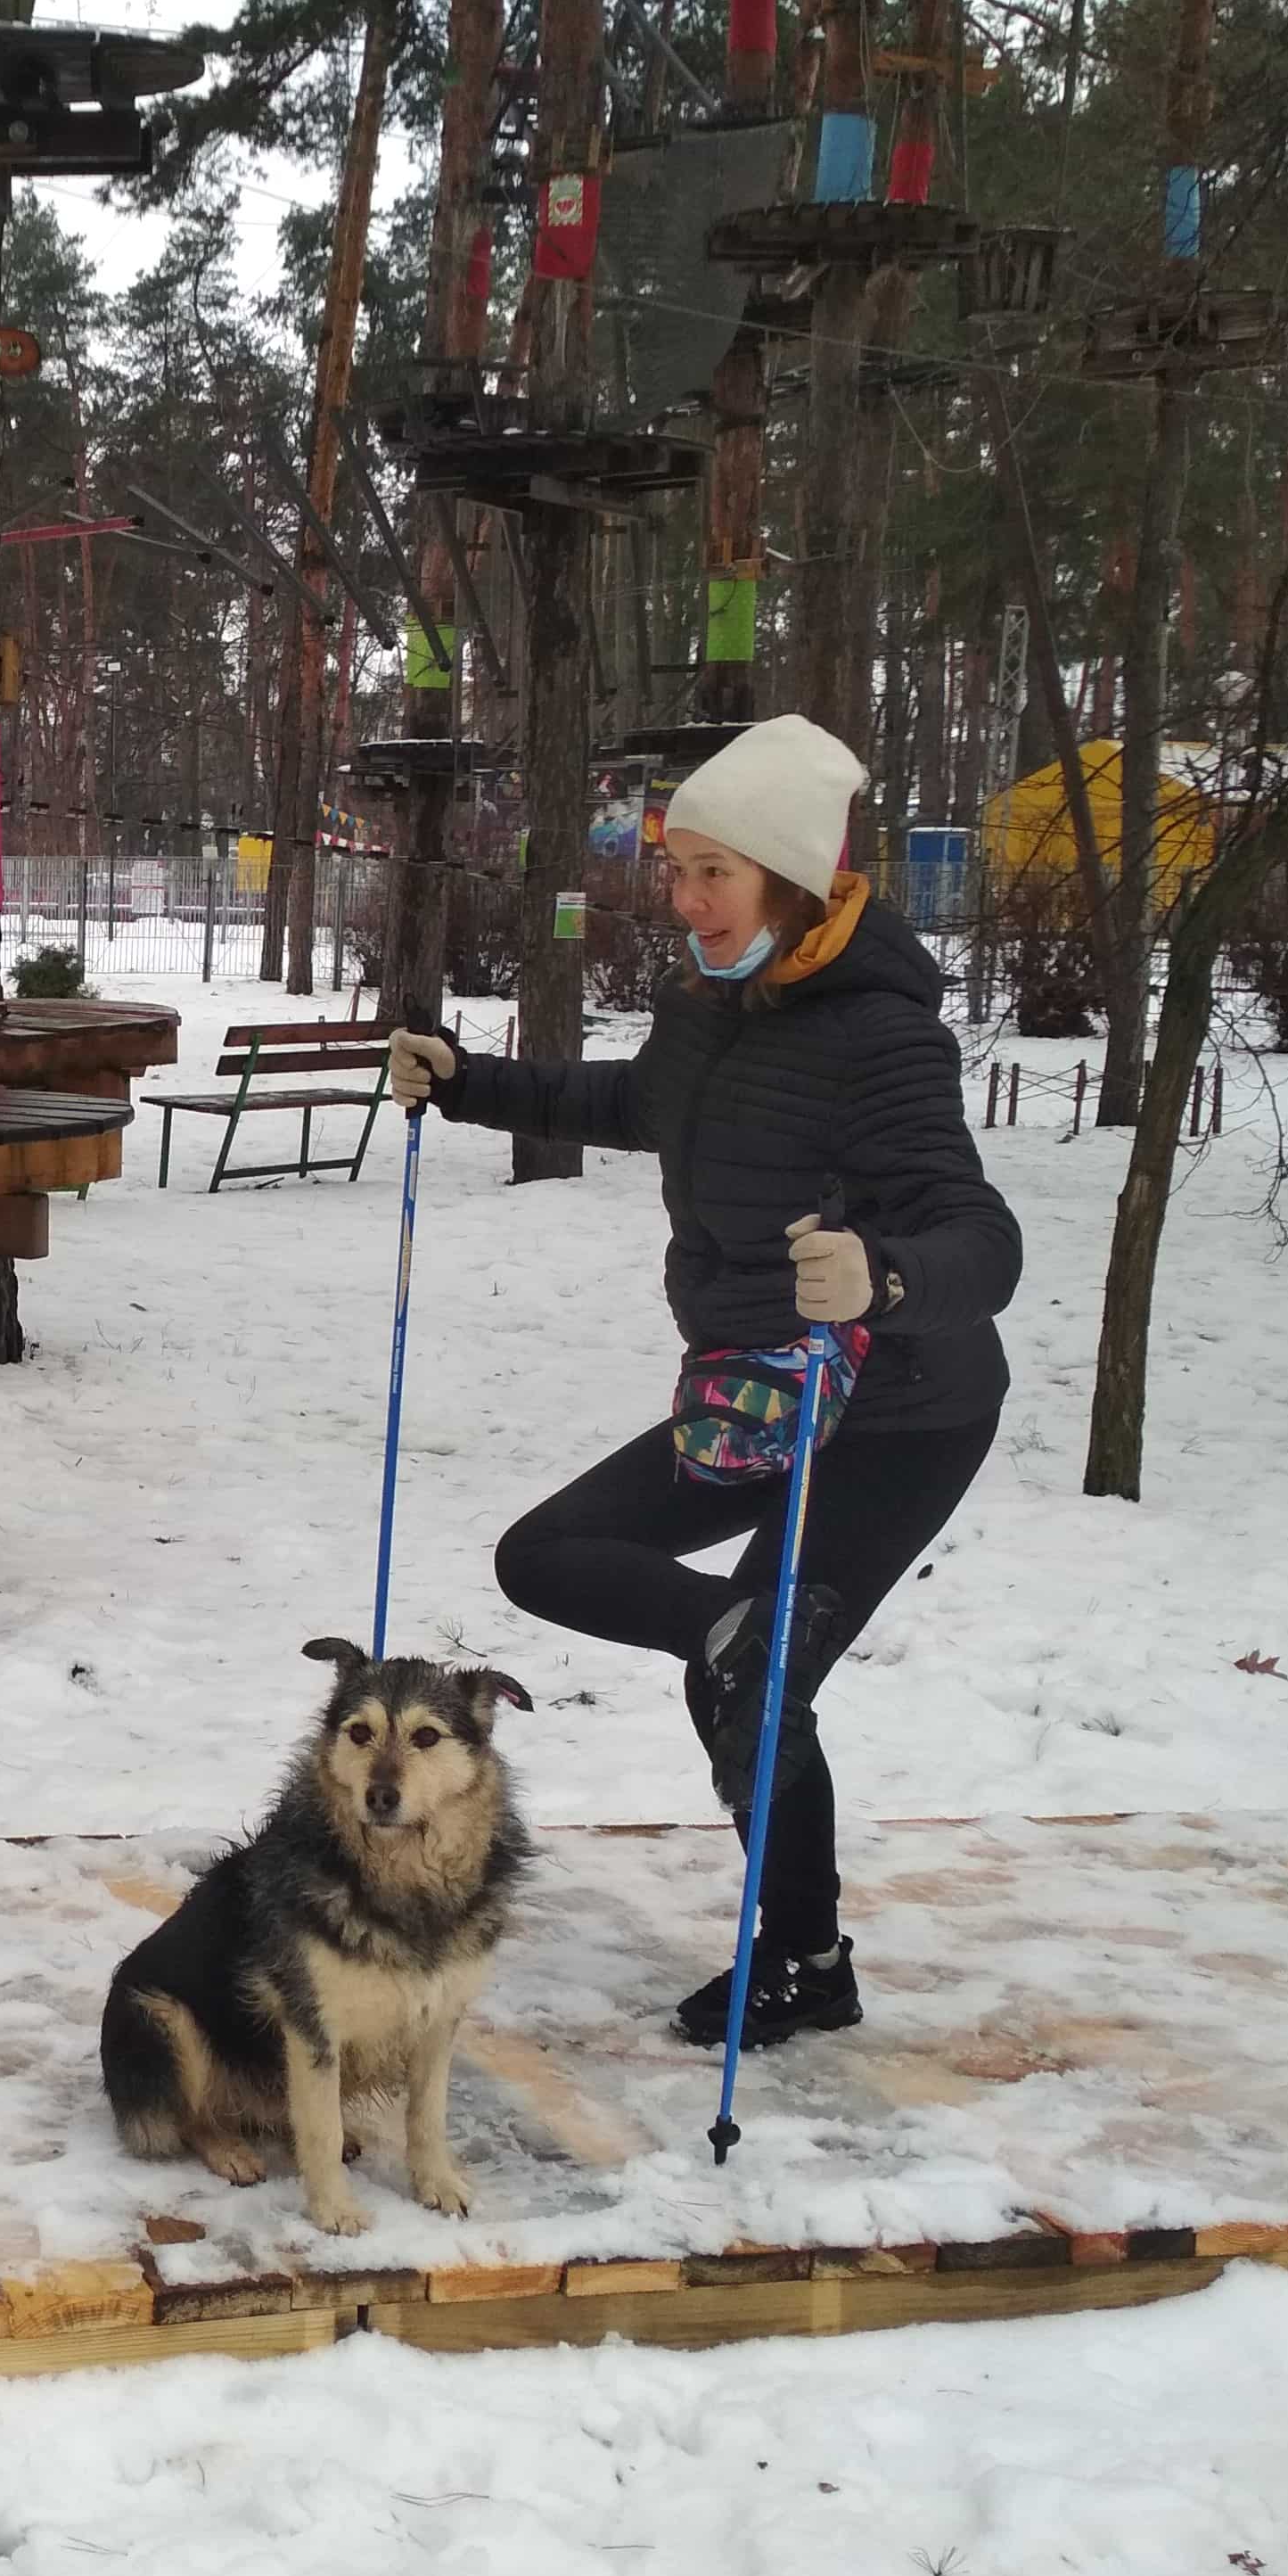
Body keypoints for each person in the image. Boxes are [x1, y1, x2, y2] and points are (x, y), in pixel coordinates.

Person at [383, 713, 1021, 2051]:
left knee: (751, 1692)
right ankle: (742, 1637)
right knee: (549, 1555)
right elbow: (635, 1106)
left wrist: (886, 1274)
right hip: (758, 1388)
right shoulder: (709, 1006)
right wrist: (468, 1080)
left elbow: (983, 1237)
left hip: (900, 1408)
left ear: (789, 879)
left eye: (713, 873)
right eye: (676, 870)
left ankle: (806, 1960)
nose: (683, 898)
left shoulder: (883, 1037)